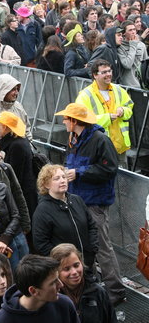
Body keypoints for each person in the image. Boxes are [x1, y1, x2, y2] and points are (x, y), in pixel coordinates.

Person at [55, 102, 125, 305]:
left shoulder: (99, 139)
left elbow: (110, 169)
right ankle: (92, 286)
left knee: (102, 248)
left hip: (95, 203)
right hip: (79, 201)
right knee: (85, 246)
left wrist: (79, 172)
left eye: (66, 118)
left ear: (75, 121)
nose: (63, 121)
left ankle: (116, 292)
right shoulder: (74, 138)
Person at [32, 164, 99, 269]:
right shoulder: (42, 210)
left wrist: (92, 249)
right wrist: (61, 261)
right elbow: (41, 244)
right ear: (46, 184)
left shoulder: (77, 200)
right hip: (65, 268)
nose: (62, 181)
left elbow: (91, 226)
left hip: (88, 262)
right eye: (57, 178)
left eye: (64, 177)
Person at [76, 59, 134, 163]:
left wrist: (123, 111)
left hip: (120, 147)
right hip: (100, 148)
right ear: (95, 75)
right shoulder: (85, 95)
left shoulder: (118, 89)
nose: (108, 74)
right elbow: (82, 120)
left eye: (109, 71)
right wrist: (107, 118)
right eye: (104, 72)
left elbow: (129, 107)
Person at [0, 254, 79, 323]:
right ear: (33, 291)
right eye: (53, 283)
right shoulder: (3, 319)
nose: (61, 285)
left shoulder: (64, 305)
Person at [50, 243, 117, 323]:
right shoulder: (52, 299)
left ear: (82, 263)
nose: (74, 272)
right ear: (56, 272)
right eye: (66, 269)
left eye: (76, 265)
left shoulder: (98, 292)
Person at [0, 112, 38, 218]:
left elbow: (15, 176)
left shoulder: (17, 146)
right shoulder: (17, 141)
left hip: (24, 196)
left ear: (5, 127)